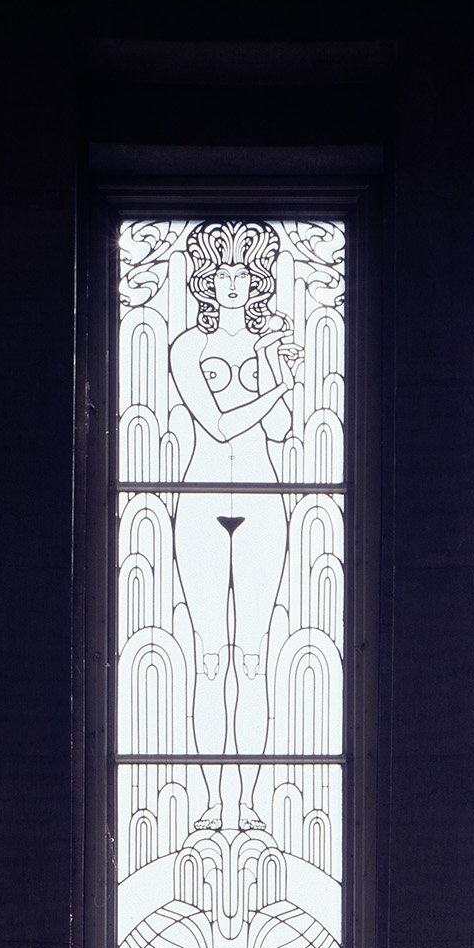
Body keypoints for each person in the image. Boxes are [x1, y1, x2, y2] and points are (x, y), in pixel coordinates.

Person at [165, 221, 302, 791]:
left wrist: (273, 360)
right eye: (221, 273)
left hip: (261, 500)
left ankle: (242, 801)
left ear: (257, 283)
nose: (232, 283)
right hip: (200, 501)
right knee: (209, 658)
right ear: (205, 281)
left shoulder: (264, 344)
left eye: (243, 274)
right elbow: (218, 425)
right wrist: (278, 385)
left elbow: (282, 427)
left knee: (251, 657)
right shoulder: (187, 347)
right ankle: (212, 801)